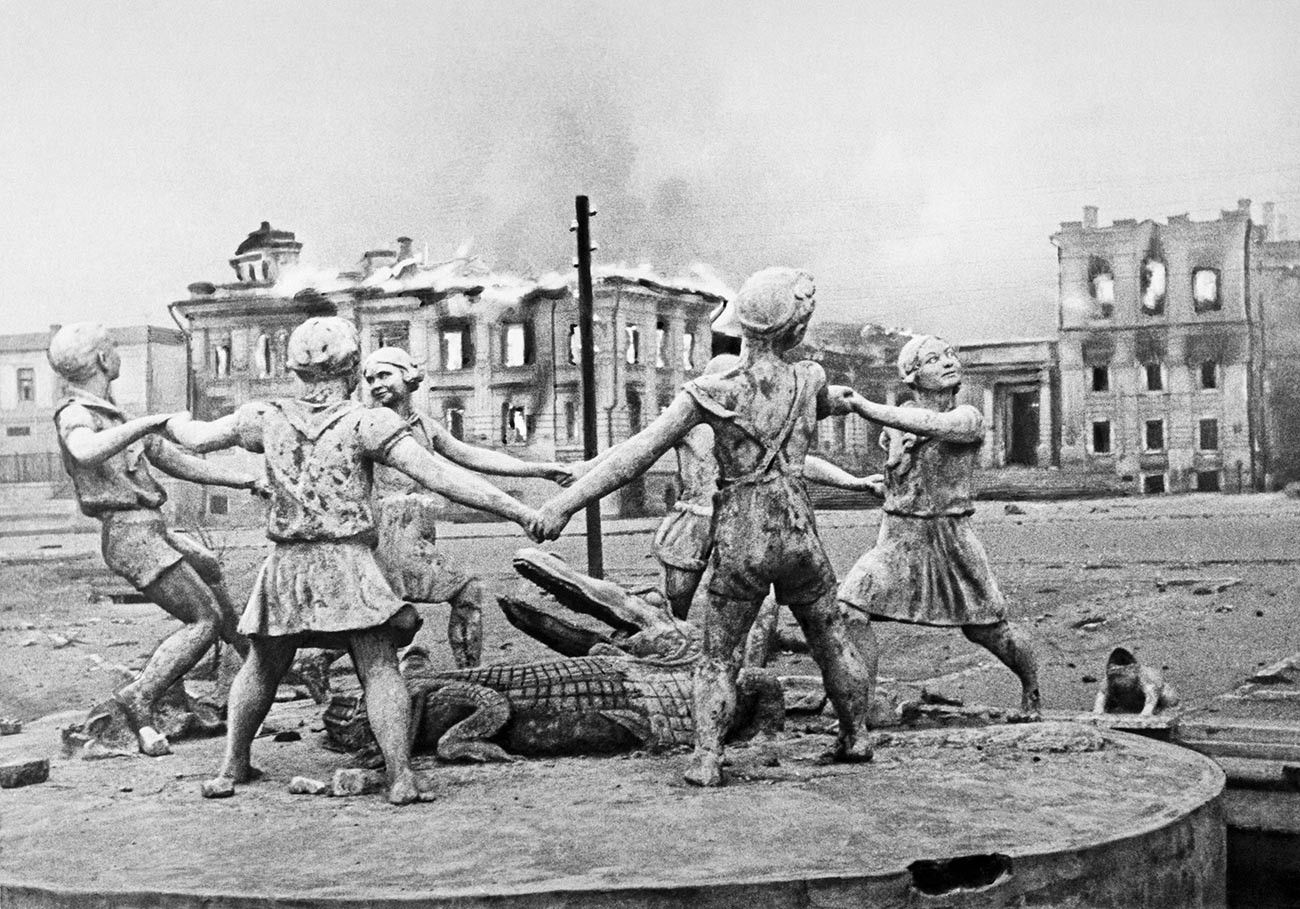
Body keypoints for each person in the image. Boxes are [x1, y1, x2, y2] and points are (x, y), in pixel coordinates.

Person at [168, 318, 541, 805]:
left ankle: (231, 767)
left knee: (262, 666)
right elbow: (442, 476)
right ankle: (401, 777)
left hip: (284, 565)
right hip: (346, 561)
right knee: (380, 667)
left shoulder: (265, 415)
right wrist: (520, 511)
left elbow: (193, 438)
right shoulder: (367, 422)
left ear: (295, 367)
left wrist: (160, 421)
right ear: (351, 365)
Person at [533, 268, 874, 787]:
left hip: (744, 533)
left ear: (743, 324)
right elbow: (823, 408)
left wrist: (565, 504)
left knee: (717, 656)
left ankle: (708, 759)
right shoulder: (811, 379)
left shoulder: (714, 391)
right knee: (829, 635)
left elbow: (633, 455)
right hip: (800, 529)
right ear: (793, 325)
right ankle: (857, 736)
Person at [47, 322, 261, 756]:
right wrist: (148, 422)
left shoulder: (114, 417)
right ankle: (140, 697)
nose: (118, 355)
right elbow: (86, 451)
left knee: (208, 563)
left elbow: (178, 461)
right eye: (113, 348)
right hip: (130, 535)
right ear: (104, 360)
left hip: (151, 527)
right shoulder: (75, 413)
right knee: (203, 621)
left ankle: (246, 656)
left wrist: (244, 480)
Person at [833, 335, 1042, 717]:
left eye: (949, 355)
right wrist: (889, 485)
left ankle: (1031, 687)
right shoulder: (896, 425)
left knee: (988, 630)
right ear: (911, 375)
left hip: (950, 540)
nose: (948, 362)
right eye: (933, 359)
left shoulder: (967, 418)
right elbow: (905, 465)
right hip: (897, 539)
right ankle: (863, 707)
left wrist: (862, 406)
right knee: (849, 610)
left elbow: (930, 424)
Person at [361, 347, 573, 668]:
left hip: (413, 537)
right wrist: (521, 512)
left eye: (384, 374)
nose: (375, 384)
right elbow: (443, 476)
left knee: (382, 616)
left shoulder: (423, 426)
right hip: (386, 540)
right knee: (462, 592)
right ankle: (467, 671)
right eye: (370, 378)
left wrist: (540, 469)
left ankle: (333, 662)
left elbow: (472, 456)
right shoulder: (373, 425)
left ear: (408, 375)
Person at [653, 352, 883, 620]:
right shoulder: (691, 420)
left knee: (755, 605)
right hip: (695, 519)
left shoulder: (761, 425)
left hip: (746, 520)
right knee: (673, 602)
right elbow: (641, 450)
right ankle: (671, 642)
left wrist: (855, 482)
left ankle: (746, 655)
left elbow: (801, 463)